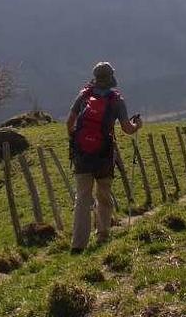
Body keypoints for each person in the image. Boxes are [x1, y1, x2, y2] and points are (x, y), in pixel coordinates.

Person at [67, 62, 142, 252]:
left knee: (83, 198)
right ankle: (102, 236)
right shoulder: (116, 100)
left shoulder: (83, 95)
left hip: (82, 155)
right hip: (104, 155)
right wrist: (137, 126)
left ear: (95, 76)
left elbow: (69, 122)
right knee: (104, 195)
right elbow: (127, 128)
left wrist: (76, 140)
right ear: (111, 77)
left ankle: (78, 244)